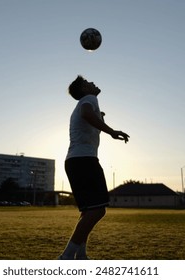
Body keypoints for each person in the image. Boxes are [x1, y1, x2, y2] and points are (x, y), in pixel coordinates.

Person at [59, 75, 129, 260]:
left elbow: (89, 117)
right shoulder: (89, 100)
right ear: (84, 90)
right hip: (84, 160)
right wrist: (112, 131)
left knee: (88, 210)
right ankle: (66, 258)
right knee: (98, 210)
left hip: (75, 161)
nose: (92, 83)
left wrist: (101, 118)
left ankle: (80, 255)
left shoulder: (87, 102)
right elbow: (86, 113)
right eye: (87, 83)